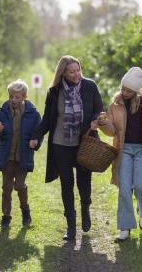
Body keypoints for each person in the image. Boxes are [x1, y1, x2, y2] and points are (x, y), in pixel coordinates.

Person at [30, 55, 103, 241]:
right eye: (72, 71)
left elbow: (98, 108)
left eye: (78, 70)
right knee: (66, 184)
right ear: (63, 72)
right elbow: (48, 118)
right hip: (61, 143)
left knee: (84, 183)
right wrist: (36, 137)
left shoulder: (90, 86)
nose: (76, 74)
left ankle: (85, 207)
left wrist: (95, 121)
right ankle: (71, 226)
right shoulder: (54, 91)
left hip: (83, 143)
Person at [97, 67, 142, 242]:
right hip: (124, 150)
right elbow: (111, 131)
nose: (124, 92)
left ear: (136, 91)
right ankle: (125, 227)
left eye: (128, 90)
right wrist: (104, 122)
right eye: (123, 89)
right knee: (124, 189)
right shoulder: (116, 105)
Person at [0, 79, 42, 229]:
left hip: (22, 157)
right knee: (6, 188)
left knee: (19, 185)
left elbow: (38, 132)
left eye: (17, 97)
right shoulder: (1, 112)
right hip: (7, 157)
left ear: (24, 96)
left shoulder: (33, 114)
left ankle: (25, 210)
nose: (14, 99)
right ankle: (6, 216)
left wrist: (35, 141)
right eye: (12, 96)